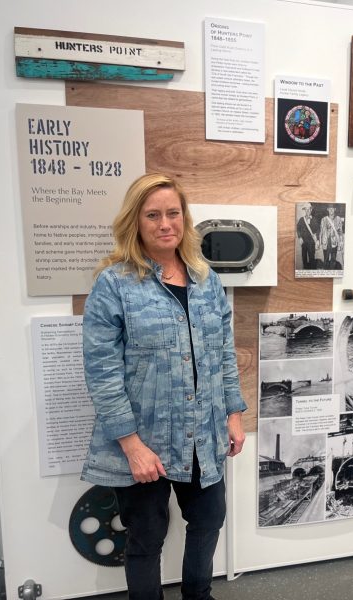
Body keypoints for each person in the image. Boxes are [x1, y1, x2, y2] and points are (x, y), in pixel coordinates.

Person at [81, 173, 246, 600]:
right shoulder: (114, 284)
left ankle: (198, 594)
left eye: (173, 213)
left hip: (202, 431)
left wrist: (233, 413)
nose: (165, 223)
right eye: (152, 215)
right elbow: (102, 372)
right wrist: (132, 445)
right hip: (146, 438)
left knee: (210, 518)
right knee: (146, 536)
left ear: (184, 218)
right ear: (135, 221)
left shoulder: (206, 279)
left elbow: (223, 352)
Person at [295, 202, 317, 269]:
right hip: (304, 243)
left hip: (311, 243)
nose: (307, 211)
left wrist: (317, 240)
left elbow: (318, 230)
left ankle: (311, 272)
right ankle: (305, 270)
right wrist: (300, 237)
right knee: (304, 258)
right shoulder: (302, 220)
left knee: (311, 258)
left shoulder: (314, 220)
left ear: (311, 210)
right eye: (306, 209)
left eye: (309, 209)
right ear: (304, 210)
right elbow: (298, 228)